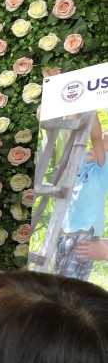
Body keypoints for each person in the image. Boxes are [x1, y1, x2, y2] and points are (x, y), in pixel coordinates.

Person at [54, 113, 108, 280]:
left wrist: (89, 107)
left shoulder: (104, 170)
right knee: (57, 284)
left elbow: (96, 137)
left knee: (66, 289)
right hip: (64, 238)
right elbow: (77, 139)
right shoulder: (85, 168)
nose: (96, 145)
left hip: (83, 239)